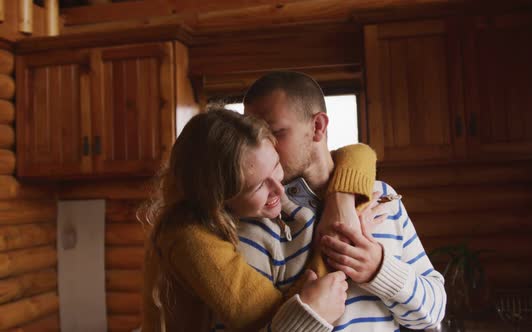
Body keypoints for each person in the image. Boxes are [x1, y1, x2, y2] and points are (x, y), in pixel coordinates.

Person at [240, 71, 447, 331]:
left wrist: (380, 270)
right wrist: (307, 315)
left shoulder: (383, 198)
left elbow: (434, 312)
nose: (263, 147)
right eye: (254, 136)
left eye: (275, 132)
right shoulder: (256, 219)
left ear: (318, 127)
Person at [141, 108, 378, 331]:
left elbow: (358, 152)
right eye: (257, 187)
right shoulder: (187, 237)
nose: (279, 189)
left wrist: (342, 202)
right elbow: (271, 318)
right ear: (219, 196)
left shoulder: (253, 173)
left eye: (276, 166)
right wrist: (340, 235)